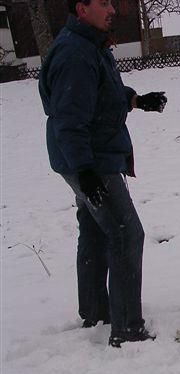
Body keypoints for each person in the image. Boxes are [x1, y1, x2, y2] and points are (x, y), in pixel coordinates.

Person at [38, 0, 167, 347]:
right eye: (103, 2)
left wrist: (139, 100)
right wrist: (86, 171)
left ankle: (96, 311)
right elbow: (69, 121)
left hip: (89, 159)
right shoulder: (75, 54)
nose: (112, 8)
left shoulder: (91, 45)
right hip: (90, 162)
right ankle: (127, 328)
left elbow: (103, 96)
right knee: (126, 234)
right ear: (82, 8)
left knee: (96, 231)